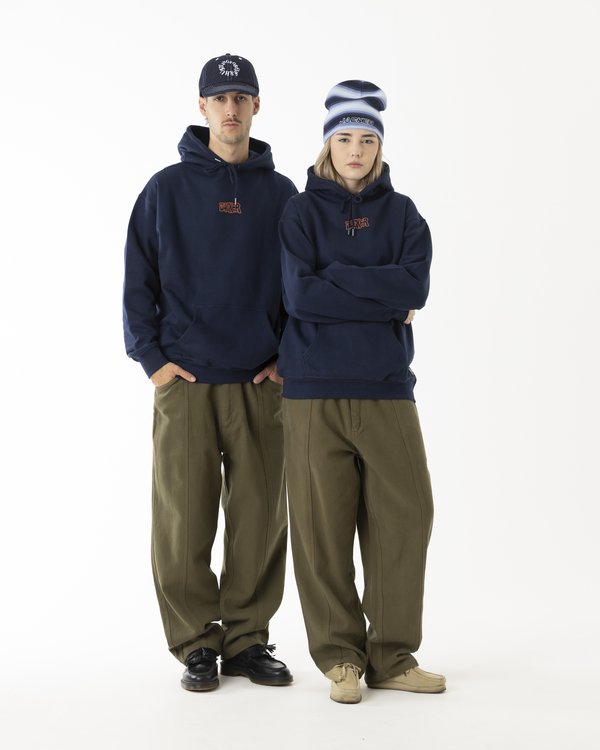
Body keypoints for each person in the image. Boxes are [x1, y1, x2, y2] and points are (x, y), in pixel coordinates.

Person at [123, 54, 296, 691]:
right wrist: (152, 360)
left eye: (241, 97)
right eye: (219, 98)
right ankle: (196, 641)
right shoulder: (166, 188)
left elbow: (301, 283)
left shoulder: (282, 194)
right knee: (183, 521)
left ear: (256, 106)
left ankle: (247, 639)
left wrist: (286, 357)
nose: (230, 108)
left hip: (259, 381)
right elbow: (137, 278)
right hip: (186, 382)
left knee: (259, 517)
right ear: (202, 107)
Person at [278, 80, 445, 704]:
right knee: (321, 528)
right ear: (328, 144)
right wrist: (380, 292)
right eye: (345, 138)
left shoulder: (404, 214)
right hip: (312, 390)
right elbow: (300, 296)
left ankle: (393, 656)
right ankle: (340, 658)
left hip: (386, 387)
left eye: (367, 139)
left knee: (407, 515)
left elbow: (414, 289)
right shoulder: (299, 212)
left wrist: (337, 278)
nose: (356, 150)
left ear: (380, 146)